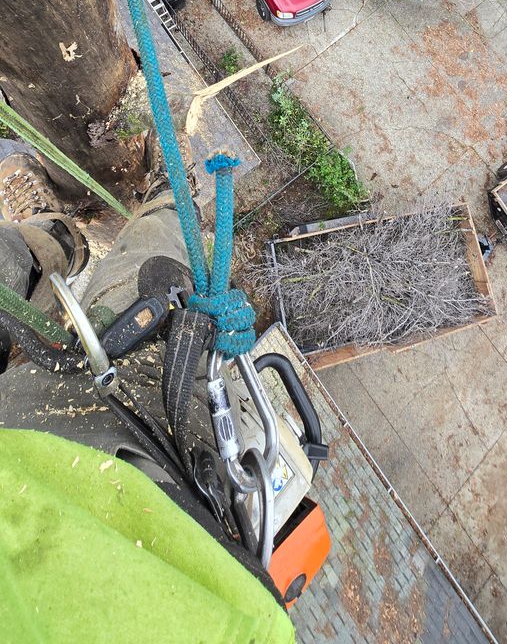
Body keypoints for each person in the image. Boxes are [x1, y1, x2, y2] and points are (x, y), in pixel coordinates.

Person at [0, 151, 294, 644]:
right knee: (158, 268)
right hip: (143, 462)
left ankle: (51, 244)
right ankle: (166, 197)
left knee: (10, 259)